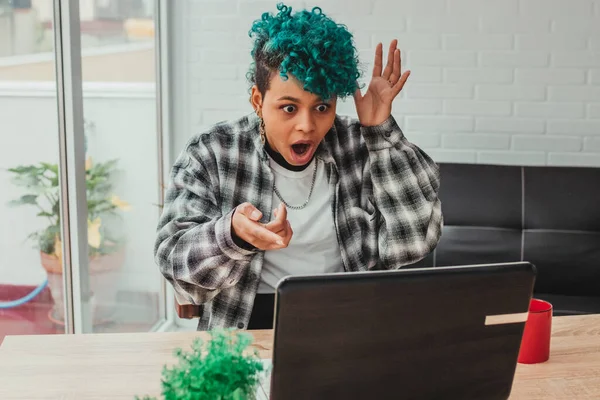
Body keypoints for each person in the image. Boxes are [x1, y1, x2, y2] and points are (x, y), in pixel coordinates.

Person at [154, 3, 443, 331]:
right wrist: (232, 234)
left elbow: (413, 243)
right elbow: (175, 263)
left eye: (322, 106)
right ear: (258, 100)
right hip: (247, 326)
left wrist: (379, 132)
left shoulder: (358, 145)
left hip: (349, 321)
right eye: (289, 108)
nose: (307, 126)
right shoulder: (213, 151)